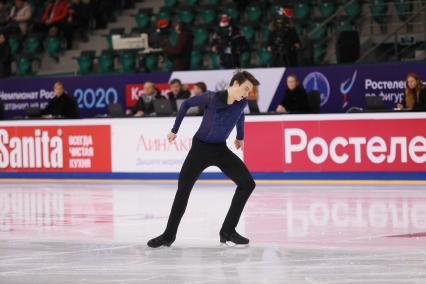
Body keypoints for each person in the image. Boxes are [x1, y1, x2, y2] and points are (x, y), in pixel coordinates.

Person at [147, 70, 260, 248]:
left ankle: (228, 231)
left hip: (220, 149)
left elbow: (240, 114)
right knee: (183, 191)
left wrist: (240, 136)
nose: (247, 94)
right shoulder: (211, 98)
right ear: (235, 84)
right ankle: (168, 236)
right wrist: (174, 130)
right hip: (200, 149)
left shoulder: (242, 102)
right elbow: (185, 105)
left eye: (249, 91)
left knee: (248, 184)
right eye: (245, 89)